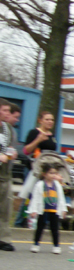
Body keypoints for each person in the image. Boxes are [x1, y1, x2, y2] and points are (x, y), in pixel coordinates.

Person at [15, 111, 58, 227]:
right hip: (33, 170)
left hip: (47, 171)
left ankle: (42, 221)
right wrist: (38, 140)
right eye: (47, 119)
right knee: (29, 195)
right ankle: (20, 221)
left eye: (52, 120)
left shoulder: (52, 136)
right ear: (40, 120)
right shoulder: (34, 133)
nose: (50, 122)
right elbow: (26, 150)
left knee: (46, 196)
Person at [28, 162, 67, 254]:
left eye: (55, 173)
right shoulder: (40, 185)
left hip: (54, 210)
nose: (53, 175)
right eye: (51, 173)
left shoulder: (57, 185)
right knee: (40, 228)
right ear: (44, 174)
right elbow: (35, 198)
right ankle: (36, 244)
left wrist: (63, 209)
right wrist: (33, 210)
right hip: (43, 210)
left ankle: (56, 245)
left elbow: (61, 198)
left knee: (55, 229)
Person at [0, 99, 20, 251]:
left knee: (5, 209)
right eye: (5, 110)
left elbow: (9, 147)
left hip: (5, 174)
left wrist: (11, 152)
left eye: (8, 111)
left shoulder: (7, 128)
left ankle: (3, 238)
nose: (8, 113)